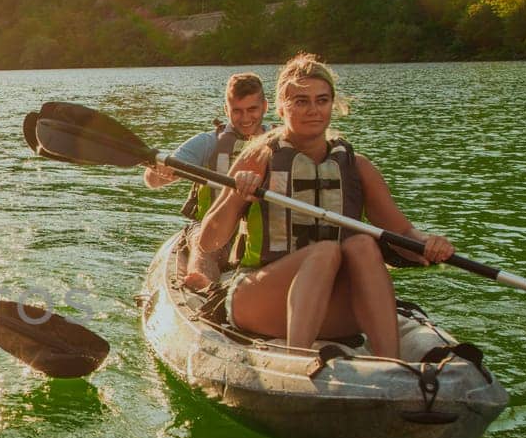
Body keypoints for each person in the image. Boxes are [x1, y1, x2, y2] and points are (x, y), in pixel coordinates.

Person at [197, 54, 454, 358]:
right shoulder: (259, 158)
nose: (313, 110)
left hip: (333, 307)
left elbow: (402, 234)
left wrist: (428, 242)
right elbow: (208, 241)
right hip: (261, 298)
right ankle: (297, 362)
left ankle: (393, 364)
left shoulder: (357, 167)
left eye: (322, 100)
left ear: (333, 104)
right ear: (281, 107)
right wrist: (236, 195)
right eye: (301, 101)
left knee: (362, 245)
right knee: (325, 251)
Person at [143, 72, 270, 290]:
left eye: (252, 109)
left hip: (264, 230)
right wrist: (159, 170)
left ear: (265, 107)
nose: (246, 118)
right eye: (237, 111)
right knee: (203, 242)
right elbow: (151, 181)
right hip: (211, 226)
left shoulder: (281, 143)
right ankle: (204, 286)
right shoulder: (207, 142)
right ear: (225, 110)